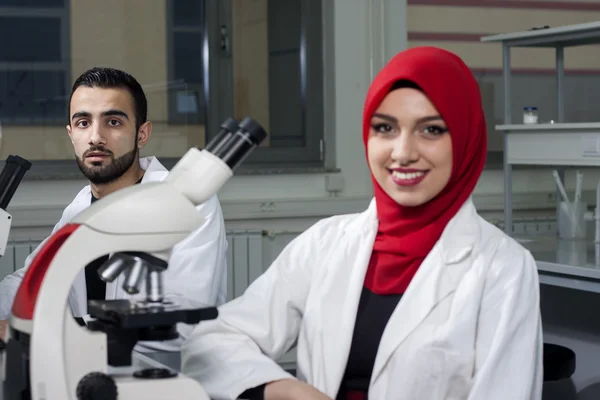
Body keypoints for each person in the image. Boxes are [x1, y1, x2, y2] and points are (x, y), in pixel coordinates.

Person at [180, 47, 543, 399]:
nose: (403, 152)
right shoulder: (326, 243)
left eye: (431, 130)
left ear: (465, 139)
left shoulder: (502, 267)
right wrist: (282, 389)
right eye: (385, 128)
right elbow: (213, 340)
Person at [0, 67, 228, 352]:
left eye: (113, 122)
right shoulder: (80, 207)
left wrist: (35, 333)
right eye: (83, 122)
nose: (96, 137)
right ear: (71, 135)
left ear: (142, 134)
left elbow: (179, 325)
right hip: (90, 371)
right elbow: (32, 280)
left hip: (167, 377)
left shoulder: (189, 203)